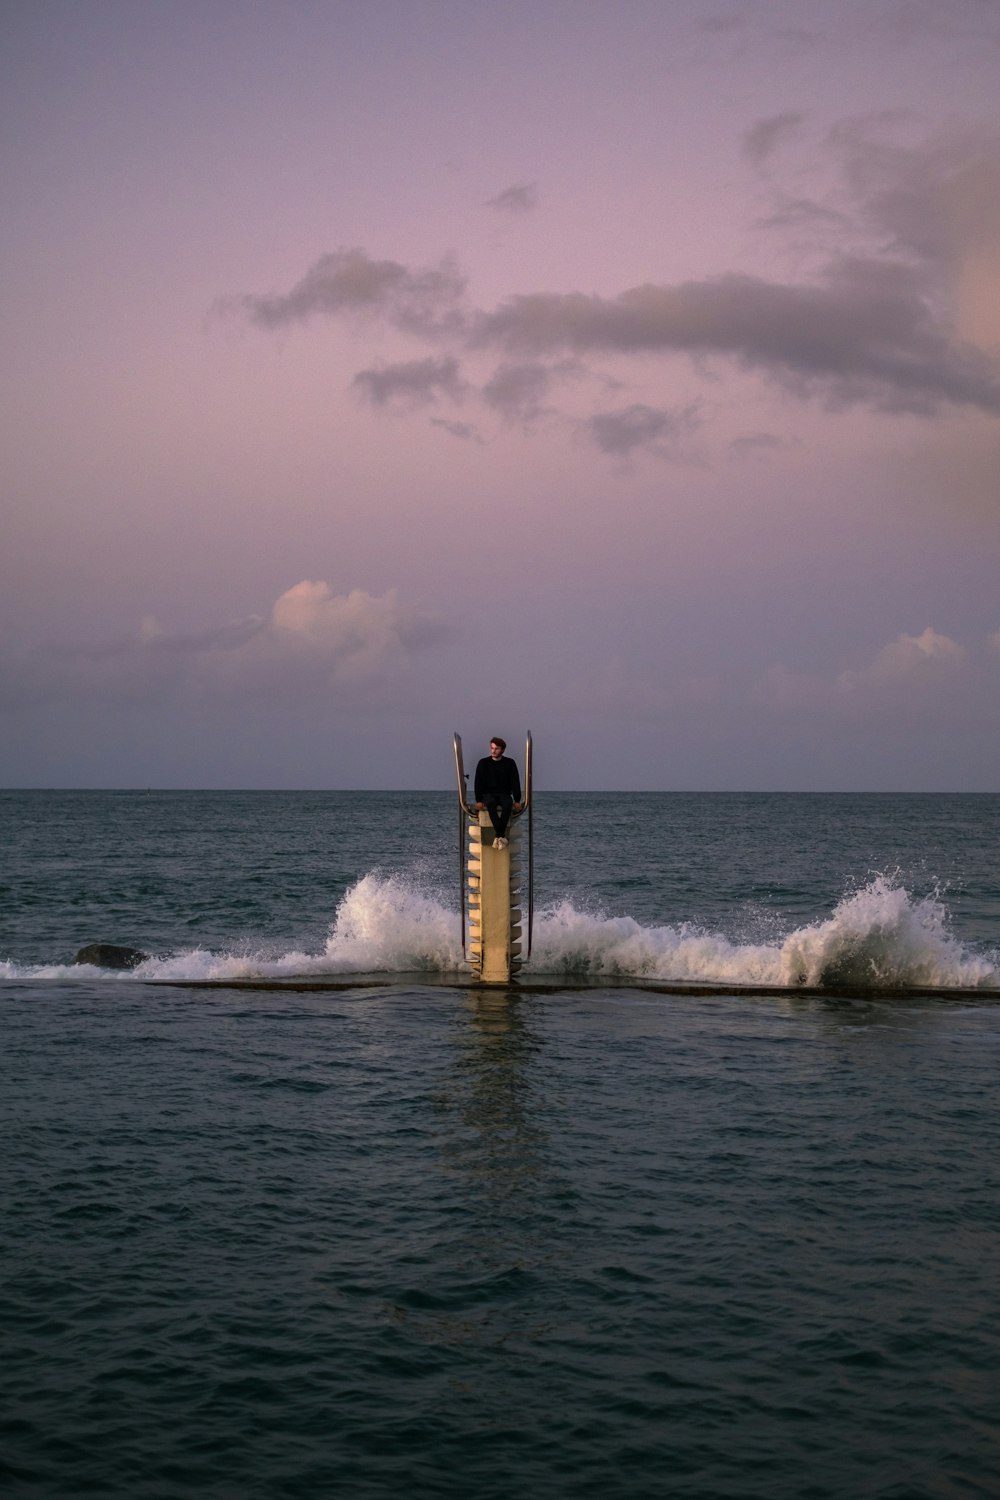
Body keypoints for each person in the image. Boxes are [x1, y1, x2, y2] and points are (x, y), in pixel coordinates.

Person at [474, 736, 523, 849]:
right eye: (492, 748)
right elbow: (478, 782)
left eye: (496, 748)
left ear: (502, 750)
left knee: (507, 805)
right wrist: (479, 800)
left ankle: (498, 836)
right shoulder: (483, 763)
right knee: (490, 803)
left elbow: (515, 782)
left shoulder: (510, 763)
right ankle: (501, 835)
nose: (493, 751)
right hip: (488, 794)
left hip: (504, 793)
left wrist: (517, 800)